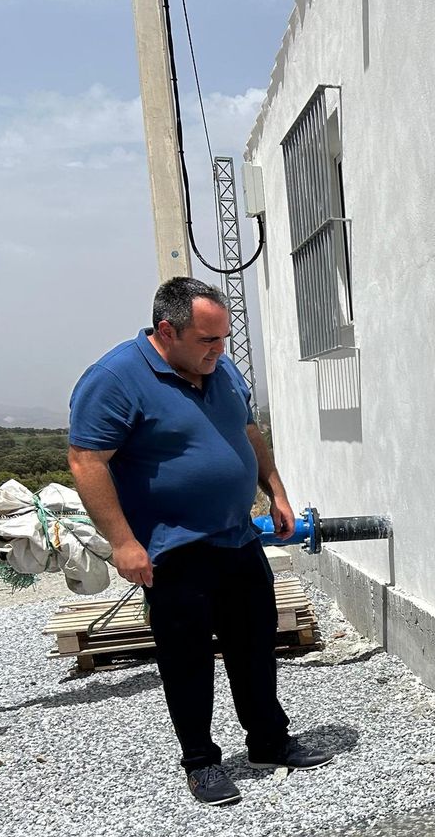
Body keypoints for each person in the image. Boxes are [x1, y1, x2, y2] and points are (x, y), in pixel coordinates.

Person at [67, 277, 332, 807]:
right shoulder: (114, 378)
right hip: (173, 550)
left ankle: (268, 742)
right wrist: (122, 542)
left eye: (224, 338)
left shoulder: (222, 368)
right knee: (187, 660)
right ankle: (202, 763)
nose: (220, 350)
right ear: (167, 331)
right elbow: (87, 460)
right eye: (207, 340)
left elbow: (247, 433)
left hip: (237, 538)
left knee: (255, 646)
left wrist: (275, 492)